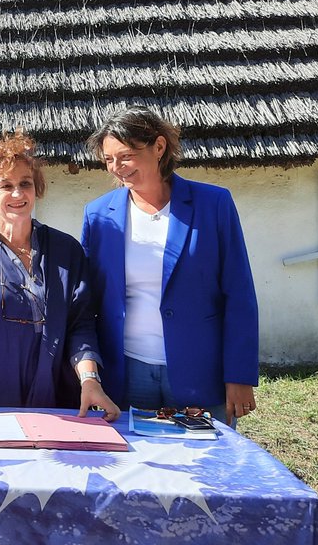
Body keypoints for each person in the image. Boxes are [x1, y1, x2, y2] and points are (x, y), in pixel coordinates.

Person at [81, 106, 258, 425]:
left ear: (159, 147)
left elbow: (239, 295)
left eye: (126, 156)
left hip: (200, 372)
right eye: (109, 160)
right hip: (126, 372)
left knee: (206, 468)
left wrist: (239, 375)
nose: (117, 168)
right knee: (137, 469)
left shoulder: (214, 205)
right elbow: (88, 302)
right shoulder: (97, 215)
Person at [0, 132, 119, 419]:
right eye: (6, 186)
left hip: (58, 404)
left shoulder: (66, 251)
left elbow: (81, 325)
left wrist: (90, 380)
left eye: (25, 184)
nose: (18, 194)